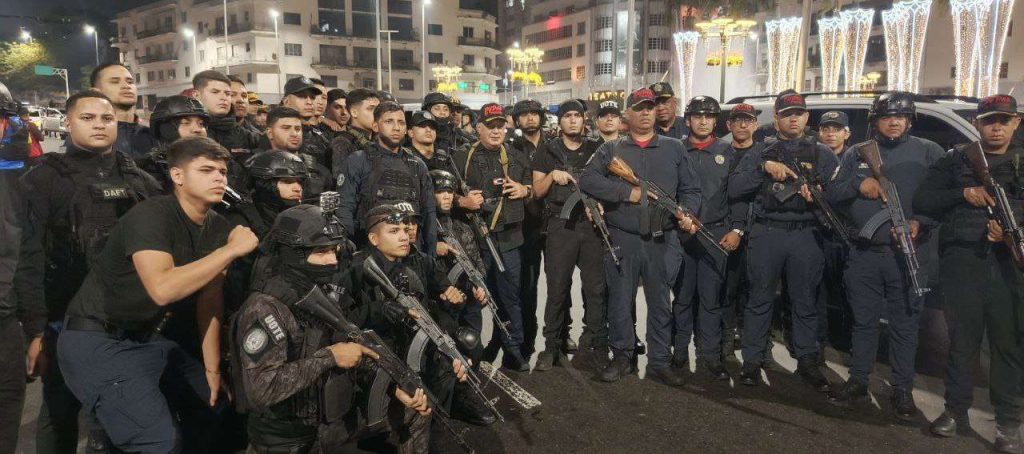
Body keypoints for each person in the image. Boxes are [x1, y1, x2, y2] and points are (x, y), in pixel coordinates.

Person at [56, 136, 257, 452]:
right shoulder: (152, 215)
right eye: (206, 170)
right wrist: (231, 250)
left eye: (222, 171)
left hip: (148, 338)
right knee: (157, 440)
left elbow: (210, 300)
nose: (219, 177)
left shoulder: (217, 225)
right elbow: (163, 289)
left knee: (215, 409)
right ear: (177, 176)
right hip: (98, 339)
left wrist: (211, 369)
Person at [19, 90, 162, 454]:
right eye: (88, 118)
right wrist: (36, 329)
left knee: (124, 416)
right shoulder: (43, 179)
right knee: (60, 413)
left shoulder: (139, 179)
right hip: (65, 319)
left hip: (130, 320)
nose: (99, 125)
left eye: (107, 118)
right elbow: (29, 257)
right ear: (67, 123)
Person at [231, 203, 400, 452]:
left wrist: (395, 386)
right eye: (321, 252)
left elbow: (346, 348)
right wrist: (330, 357)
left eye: (334, 250)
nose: (332, 260)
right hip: (284, 440)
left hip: (326, 428)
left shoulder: (319, 294)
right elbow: (262, 389)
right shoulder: (266, 307)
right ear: (294, 254)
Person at [914, 94, 1024, 452]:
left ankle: (1008, 423)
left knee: (1008, 345)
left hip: (1010, 264)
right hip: (964, 263)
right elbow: (924, 200)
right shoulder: (957, 160)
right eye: (990, 120)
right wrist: (963, 192)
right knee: (961, 342)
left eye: (1004, 121)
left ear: (1015, 123)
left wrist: (1012, 230)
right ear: (977, 123)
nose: (997, 126)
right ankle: (954, 410)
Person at [824, 92, 943, 419]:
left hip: (908, 254)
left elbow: (942, 199)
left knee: (905, 326)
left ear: (909, 120)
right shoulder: (857, 153)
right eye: (886, 116)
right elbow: (833, 193)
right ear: (875, 121)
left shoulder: (929, 152)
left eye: (900, 117)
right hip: (865, 254)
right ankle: (858, 380)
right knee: (863, 322)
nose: (893, 122)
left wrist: (922, 222)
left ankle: (902, 389)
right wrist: (859, 184)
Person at [579, 87, 701, 386]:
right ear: (627, 115)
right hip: (624, 236)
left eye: (651, 107)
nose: (647, 112)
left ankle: (659, 360)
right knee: (620, 301)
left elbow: (691, 189)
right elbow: (588, 179)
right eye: (640, 107)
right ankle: (622, 356)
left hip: (663, 238)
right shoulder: (611, 150)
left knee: (660, 301)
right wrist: (627, 192)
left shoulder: (674, 148)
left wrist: (687, 212)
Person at [727, 91, 839, 390]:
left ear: (806, 117)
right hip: (768, 232)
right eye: (787, 113)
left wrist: (817, 194)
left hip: (806, 233)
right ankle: (752, 362)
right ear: (776, 117)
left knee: (804, 301)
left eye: (799, 113)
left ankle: (807, 361)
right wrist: (764, 167)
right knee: (759, 299)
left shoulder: (823, 154)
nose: (793, 118)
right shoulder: (760, 150)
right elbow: (736, 187)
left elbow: (839, 197)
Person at [343, 204, 472, 450]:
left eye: (405, 229)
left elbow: (423, 321)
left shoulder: (410, 269)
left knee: (444, 369)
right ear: (374, 238)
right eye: (394, 231)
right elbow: (341, 326)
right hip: (365, 369)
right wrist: (376, 312)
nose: (405, 235)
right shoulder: (354, 271)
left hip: (401, 360)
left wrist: (447, 350)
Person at [530, 99, 608, 372]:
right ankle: (550, 346)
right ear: (560, 122)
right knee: (557, 289)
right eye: (568, 116)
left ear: (584, 120)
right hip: (560, 227)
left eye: (577, 116)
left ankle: (596, 346)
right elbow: (536, 191)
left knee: (595, 290)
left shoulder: (597, 149)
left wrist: (599, 203)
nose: (573, 120)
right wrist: (553, 175)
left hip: (590, 227)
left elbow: (611, 185)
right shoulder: (547, 151)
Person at [454, 103, 533, 372]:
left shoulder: (517, 156)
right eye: (491, 126)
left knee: (510, 298)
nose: (497, 130)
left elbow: (532, 189)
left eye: (501, 125)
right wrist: (461, 201)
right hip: (474, 241)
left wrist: (525, 189)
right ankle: (471, 354)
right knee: (473, 300)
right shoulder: (461, 158)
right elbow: (442, 196)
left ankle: (515, 353)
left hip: (509, 240)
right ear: (478, 128)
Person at [670, 96, 741, 380]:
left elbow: (737, 198)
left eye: (709, 116)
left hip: (715, 234)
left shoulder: (728, 152)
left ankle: (709, 356)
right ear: (687, 120)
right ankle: (678, 352)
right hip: (683, 233)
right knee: (683, 297)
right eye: (697, 116)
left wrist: (737, 229)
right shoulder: (675, 151)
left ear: (715, 121)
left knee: (711, 300)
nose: (702, 121)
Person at [0, 80, 45, 454]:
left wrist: (36, 328)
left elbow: (28, 255)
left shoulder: (20, 181)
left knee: (9, 398)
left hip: (5, 318)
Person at [338, 101, 437, 253]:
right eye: (389, 121)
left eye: (401, 122)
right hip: (368, 252)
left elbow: (429, 215)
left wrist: (430, 257)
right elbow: (344, 209)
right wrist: (348, 253)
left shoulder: (417, 165)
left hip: (411, 254)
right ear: (376, 126)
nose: (396, 127)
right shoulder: (358, 161)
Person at [221, 150, 307, 314]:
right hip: (249, 306)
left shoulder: (296, 216)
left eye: (299, 182)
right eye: (287, 181)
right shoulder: (241, 218)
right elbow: (235, 279)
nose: (298, 188)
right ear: (266, 185)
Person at [721, 104, 762, 356]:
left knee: (756, 290)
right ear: (729, 125)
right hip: (727, 229)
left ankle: (756, 343)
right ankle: (726, 338)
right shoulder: (722, 153)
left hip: (758, 231)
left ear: (756, 125)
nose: (743, 125)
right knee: (728, 287)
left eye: (748, 120)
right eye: (738, 121)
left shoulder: (765, 154)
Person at [508, 99, 546, 357]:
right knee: (526, 287)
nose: (530, 118)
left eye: (534, 114)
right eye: (525, 114)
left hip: (555, 224)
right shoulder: (511, 149)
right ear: (517, 120)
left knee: (559, 285)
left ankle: (559, 336)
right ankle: (526, 340)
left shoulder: (554, 146)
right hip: (525, 226)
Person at [193, 70, 261, 190]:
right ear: (196, 95)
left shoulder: (245, 134)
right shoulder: (186, 131)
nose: (224, 98)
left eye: (228, 94)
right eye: (215, 92)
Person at [134, 95, 210, 193]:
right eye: (186, 123)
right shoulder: (149, 170)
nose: (197, 129)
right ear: (166, 130)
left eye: (201, 124)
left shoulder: (218, 162)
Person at [262, 106, 333, 197]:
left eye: (298, 129)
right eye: (286, 128)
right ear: (270, 133)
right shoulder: (257, 169)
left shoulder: (320, 172)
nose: (294, 134)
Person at [89, 63, 150, 158]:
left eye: (130, 82)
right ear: (95, 92)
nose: (126, 86)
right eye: (115, 81)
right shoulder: (89, 138)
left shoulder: (154, 135)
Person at [281, 77, 332, 174]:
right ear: (286, 101)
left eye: (312, 97)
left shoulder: (320, 133)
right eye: (302, 96)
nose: (309, 102)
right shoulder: (279, 134)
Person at [329, 88, 380, 177]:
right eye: (371, 109)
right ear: (354, 112)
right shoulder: (343, 142)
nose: (377, 114)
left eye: (378, 110)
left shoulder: (378, 140)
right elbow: (341, 180)